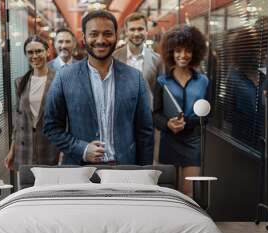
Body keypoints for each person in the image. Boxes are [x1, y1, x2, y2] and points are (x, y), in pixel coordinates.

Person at [43, 10, 154, 165]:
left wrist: (145, 173)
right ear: (84, 38)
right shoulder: (64, 77)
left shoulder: (135, 78)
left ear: (116, 36)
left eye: (107, 33)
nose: (101, 40)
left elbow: (145, 133)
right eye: (94, 34)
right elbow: (51, 127)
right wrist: (81, 149)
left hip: (124, 171)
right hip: (80, 172)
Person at [153, 26, 208, 197]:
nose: (183, 55)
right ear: (171, 52)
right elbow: (155, 114)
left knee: (188, 192)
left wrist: (188, 123)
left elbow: (208, 115)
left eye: (188, 51)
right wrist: (168, 124)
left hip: (192, 141)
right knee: (169, 192)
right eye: (178, 50)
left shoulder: (203, 81)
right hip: (169, 140)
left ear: (195, 53)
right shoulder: (162, 81)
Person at [113, 12, 163, 164]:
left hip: (148, 120)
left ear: (146, 31)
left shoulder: (157, 60)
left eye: (140, 29)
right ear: (126, 31)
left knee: (146, 161)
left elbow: (159, 93)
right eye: (132, 29)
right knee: (121, 161)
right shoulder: (114, 57)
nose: (136, 33)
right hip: (119, 119)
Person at [5, 35, 59, 171]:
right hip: (24, 150)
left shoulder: (59, 80)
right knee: (25, 190)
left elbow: (67, 121)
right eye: (30, 52)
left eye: (39, 51)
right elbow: (18, 120)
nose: (34, 56)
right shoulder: (20, 82)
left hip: (50, 149)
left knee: (48, 191)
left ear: (47, 52)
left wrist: (63, 154)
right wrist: (12, 150)